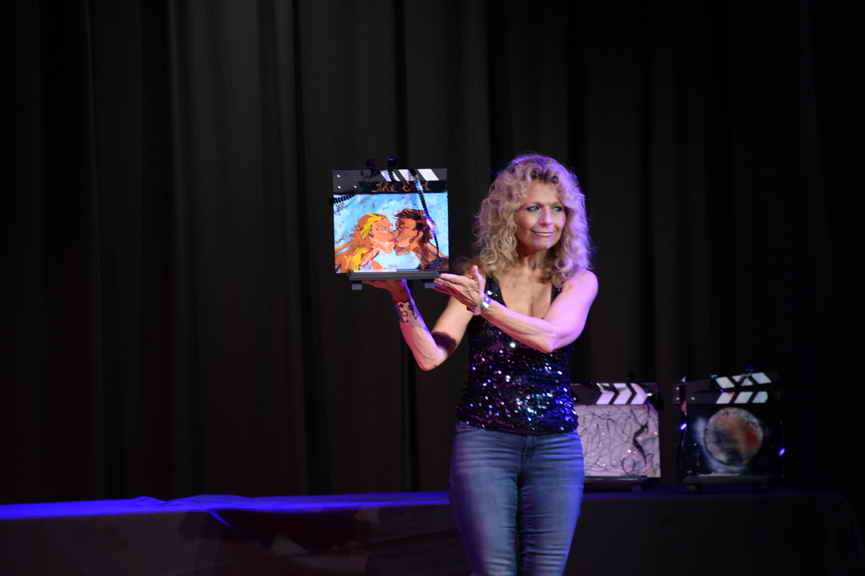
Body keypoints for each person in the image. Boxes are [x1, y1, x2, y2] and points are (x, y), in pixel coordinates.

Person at [367, 154, 598, 575]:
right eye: (533, 207)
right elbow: (430, 356)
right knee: (493, 571)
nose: (547, 220)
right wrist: (401, 296)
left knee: (546, 570)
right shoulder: (479, 278)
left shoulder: (579, 280)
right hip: (486, 443)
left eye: (558, 209)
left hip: (555, 446)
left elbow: (548, 337)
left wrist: (484, 305)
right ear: (509, 215)